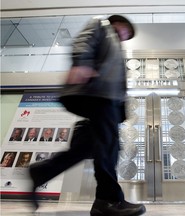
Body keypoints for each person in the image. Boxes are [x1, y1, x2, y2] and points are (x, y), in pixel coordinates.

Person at [28, 15, 146, 216]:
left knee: (91, 146)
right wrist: (81, 63)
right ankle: (107, 200)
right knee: (108, 146)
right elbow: (83, 40)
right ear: (118, 23)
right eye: (127, 31)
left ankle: (41, 172)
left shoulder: (114, 45)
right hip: (98, 94)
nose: (125, 36)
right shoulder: (102, 25)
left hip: (106, 98)